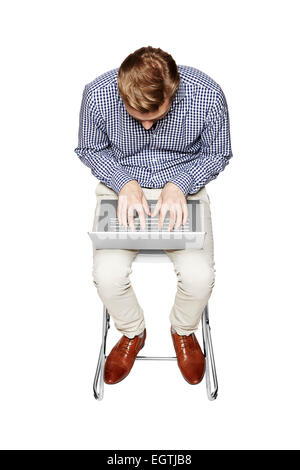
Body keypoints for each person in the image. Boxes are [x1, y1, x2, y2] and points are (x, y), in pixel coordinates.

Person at [74, 46, 233, 386]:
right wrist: (122, 182)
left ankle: (184, 330)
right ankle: (133, 332)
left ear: (172, 93)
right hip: (120, 186)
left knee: (199, 277)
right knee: (107, 275)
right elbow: (89, 148)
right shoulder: (97, 95)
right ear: (121, 92)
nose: (146, 125)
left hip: (184, 187)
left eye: (156, 115)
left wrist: (181, 183)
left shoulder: (207, 96)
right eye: (137, 116)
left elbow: (219, 153)